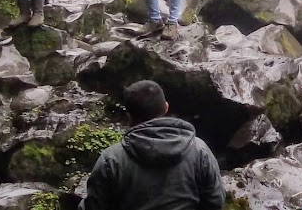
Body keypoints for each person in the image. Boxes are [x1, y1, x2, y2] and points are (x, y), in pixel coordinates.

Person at [83, 80, 225, 210]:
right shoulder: (199, 150)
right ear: (166, 108)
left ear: (129, 117)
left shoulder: (112, 160)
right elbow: (216, 201)